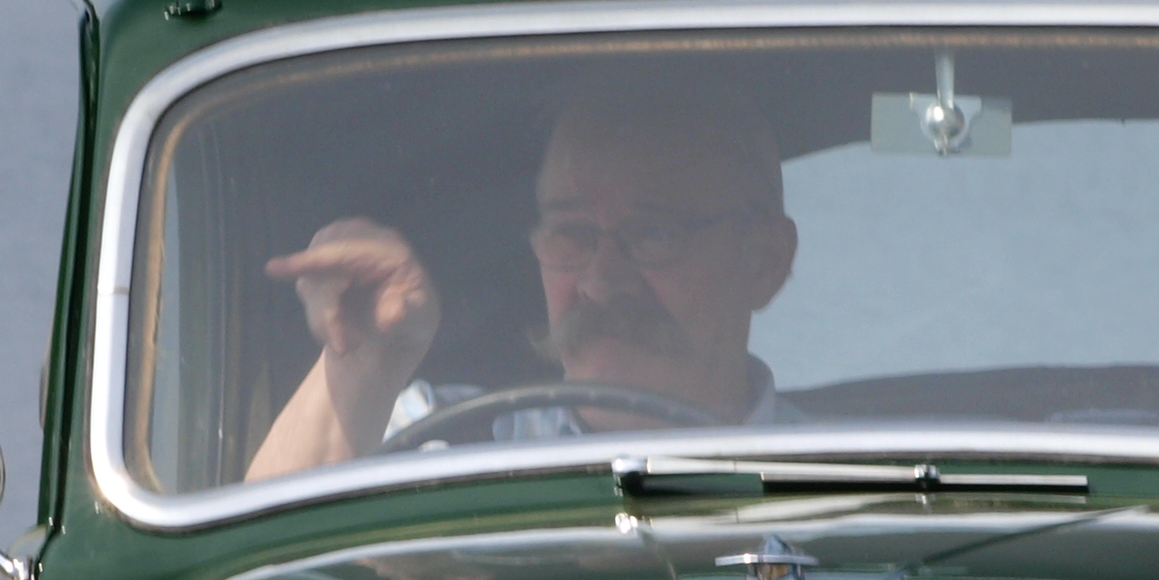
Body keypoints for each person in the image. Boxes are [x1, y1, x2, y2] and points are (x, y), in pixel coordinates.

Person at [246, 77, 803, 481]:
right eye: (571, 234)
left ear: (764, 263)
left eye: (651, 235)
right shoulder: (443, 441)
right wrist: (364, 359)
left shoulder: (857, 474)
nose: (602, 281)